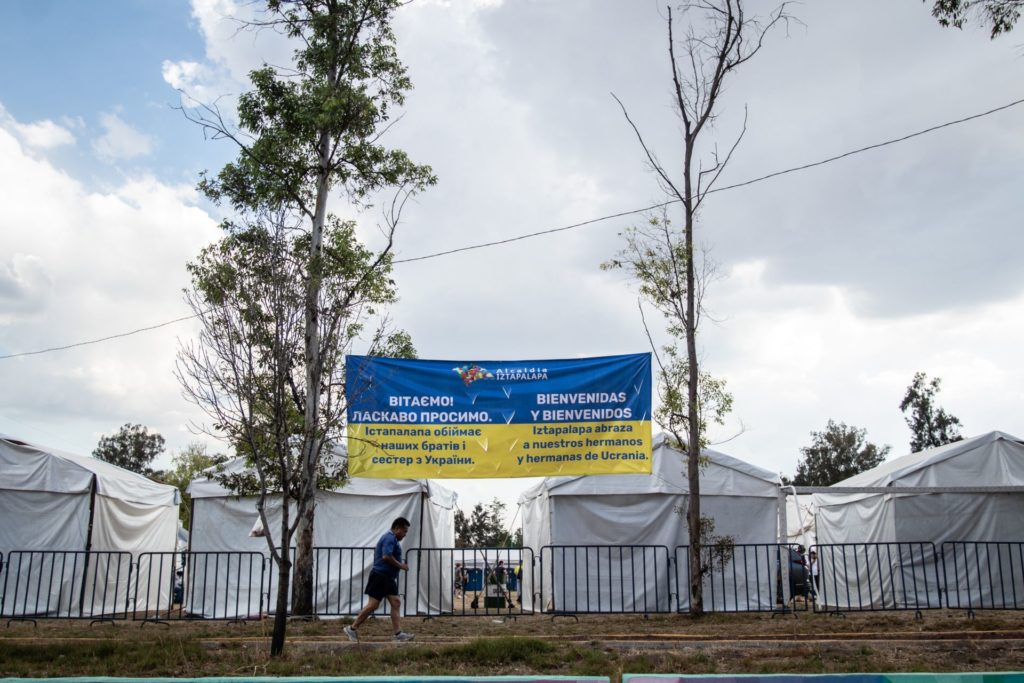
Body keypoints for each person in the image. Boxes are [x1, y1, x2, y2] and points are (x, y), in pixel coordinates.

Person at [344, 517, 414, 642]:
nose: (405, 534)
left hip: (387, 577)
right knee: (373, 605)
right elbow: (386, 556)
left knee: (396, 602)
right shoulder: (389, 538)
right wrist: (401, 566)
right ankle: (352, 628)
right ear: (397, 528)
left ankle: (398, 634)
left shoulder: (393, 539)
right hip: (380, 576)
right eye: (404, 531)